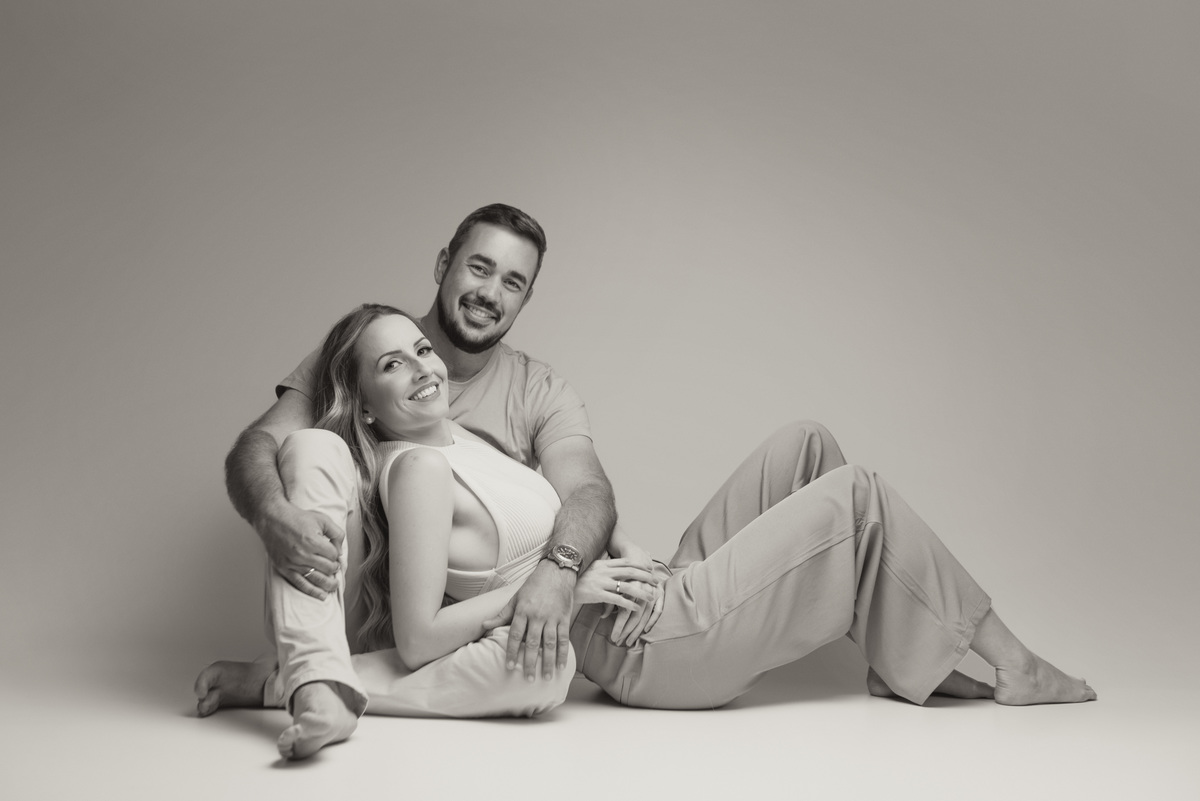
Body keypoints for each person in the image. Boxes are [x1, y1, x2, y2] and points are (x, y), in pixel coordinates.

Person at [201, 302, 1096, 758]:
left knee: (807, 443)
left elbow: (570, 512)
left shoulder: (464, 440)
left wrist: (614, 556)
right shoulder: (420, 472)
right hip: (647, 648)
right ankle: (1012, 663)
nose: (424, 368)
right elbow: (419, 637)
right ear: (366, 400)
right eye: (393, 365)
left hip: (649, 591)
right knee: (857, 493)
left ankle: (901, 654)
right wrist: (563, 586)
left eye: (423, 349)